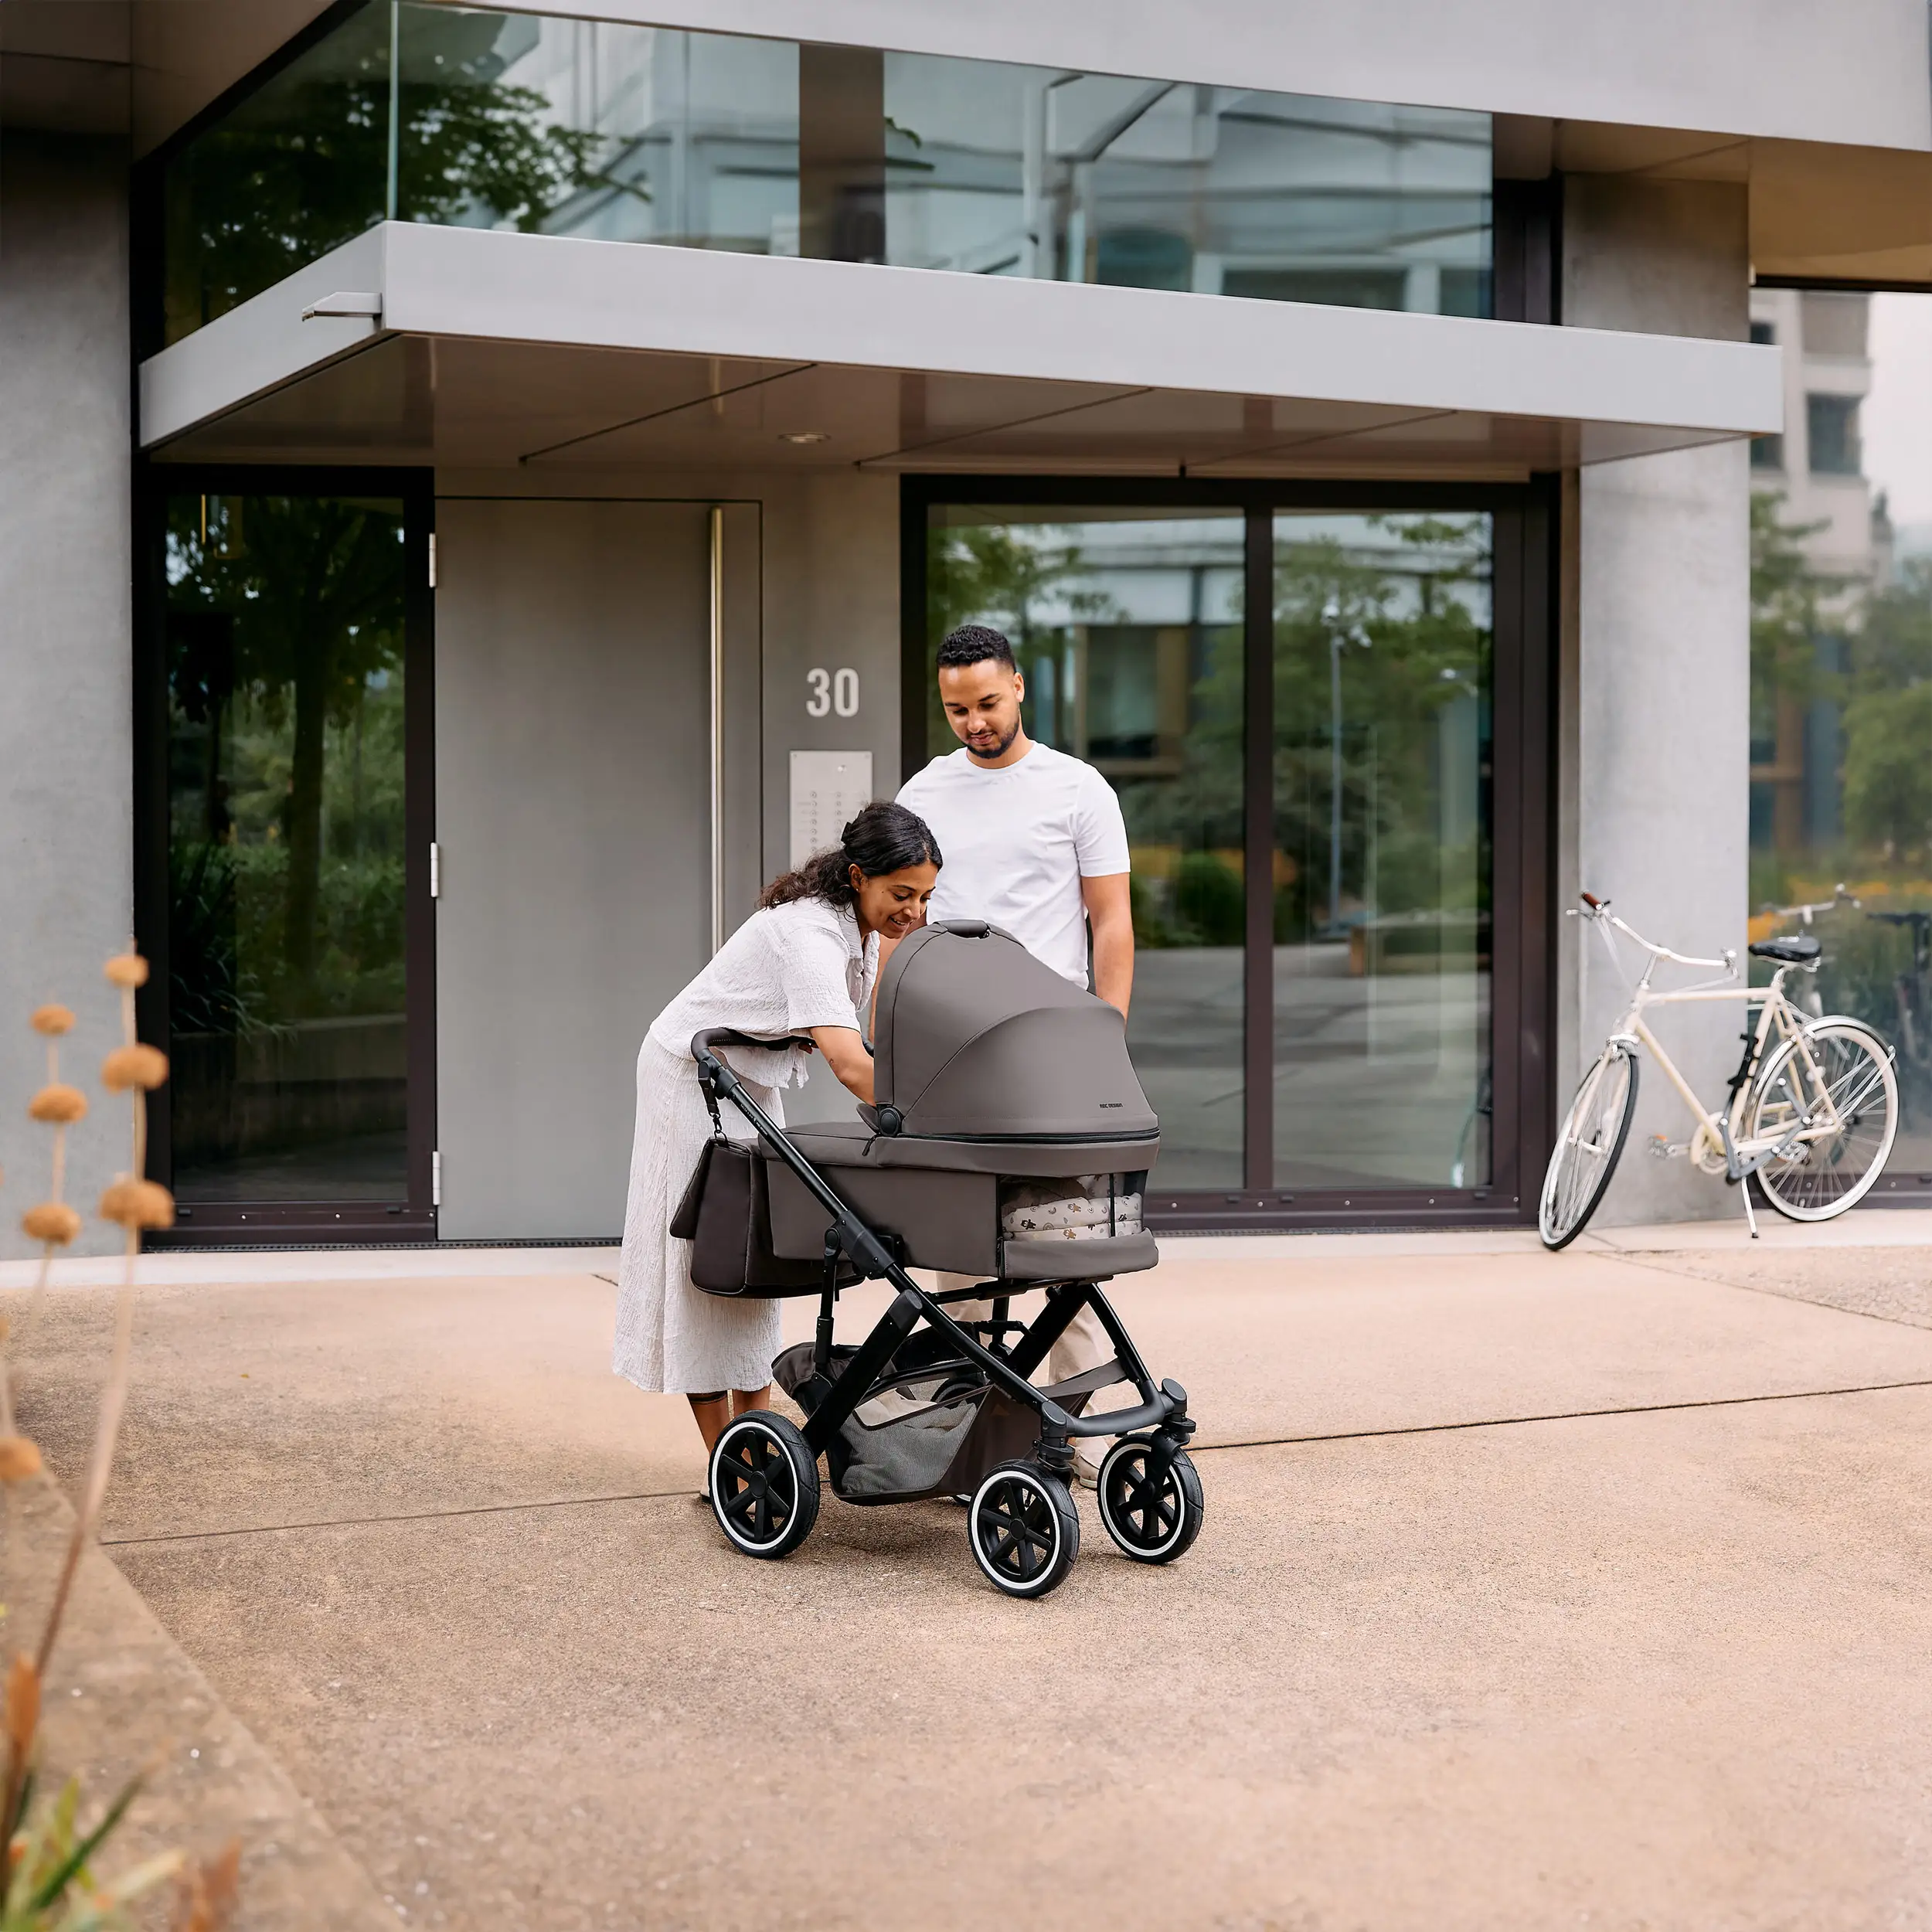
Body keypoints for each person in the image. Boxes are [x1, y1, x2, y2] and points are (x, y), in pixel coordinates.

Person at [612, 802, 941, 1458]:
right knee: (705, 1253)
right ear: (857, 877)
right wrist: (939, 1107)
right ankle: (728, 1463)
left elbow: (858, 1038)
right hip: (689, 1075)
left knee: (756, 1246)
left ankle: (761, 1443)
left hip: (748, 1075)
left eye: (927, 896)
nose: (915, 911)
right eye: (902, 894)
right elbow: (851, 1064)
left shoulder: (861, 930)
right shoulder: (810, 934)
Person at [895, 622, 1134, 1483]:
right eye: (957, 708)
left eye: (987, 703)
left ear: (1021, 688)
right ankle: (966, 1438)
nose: (974, 722)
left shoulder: (1077, 788)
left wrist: (1108, 1033)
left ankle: (1068, 1432)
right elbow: (903, 919)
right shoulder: (925, 791)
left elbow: (1109, 921)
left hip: (1051, 1050)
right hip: (952, 1051)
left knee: (1060, 1244)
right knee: (957, 1254)